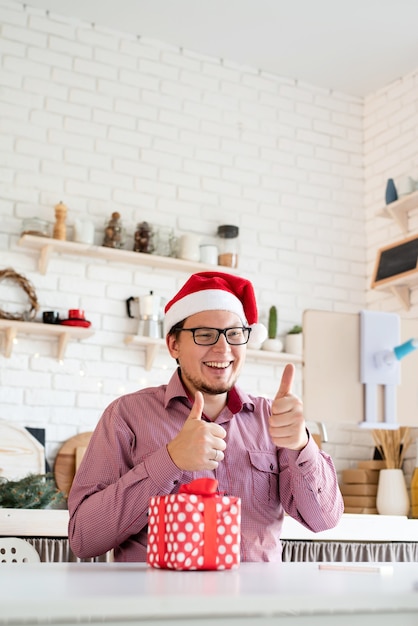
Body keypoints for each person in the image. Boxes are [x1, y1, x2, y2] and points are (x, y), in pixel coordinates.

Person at [68, 271, 343, 562]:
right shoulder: (126, 416)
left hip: (255, 605)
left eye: (234, 334)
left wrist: (301, 444)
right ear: (173, 344)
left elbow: (323, 519)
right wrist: (169, 461)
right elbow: (84, 539)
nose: (223, 348)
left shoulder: (271, 418)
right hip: (159, 603)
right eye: (205, 334)